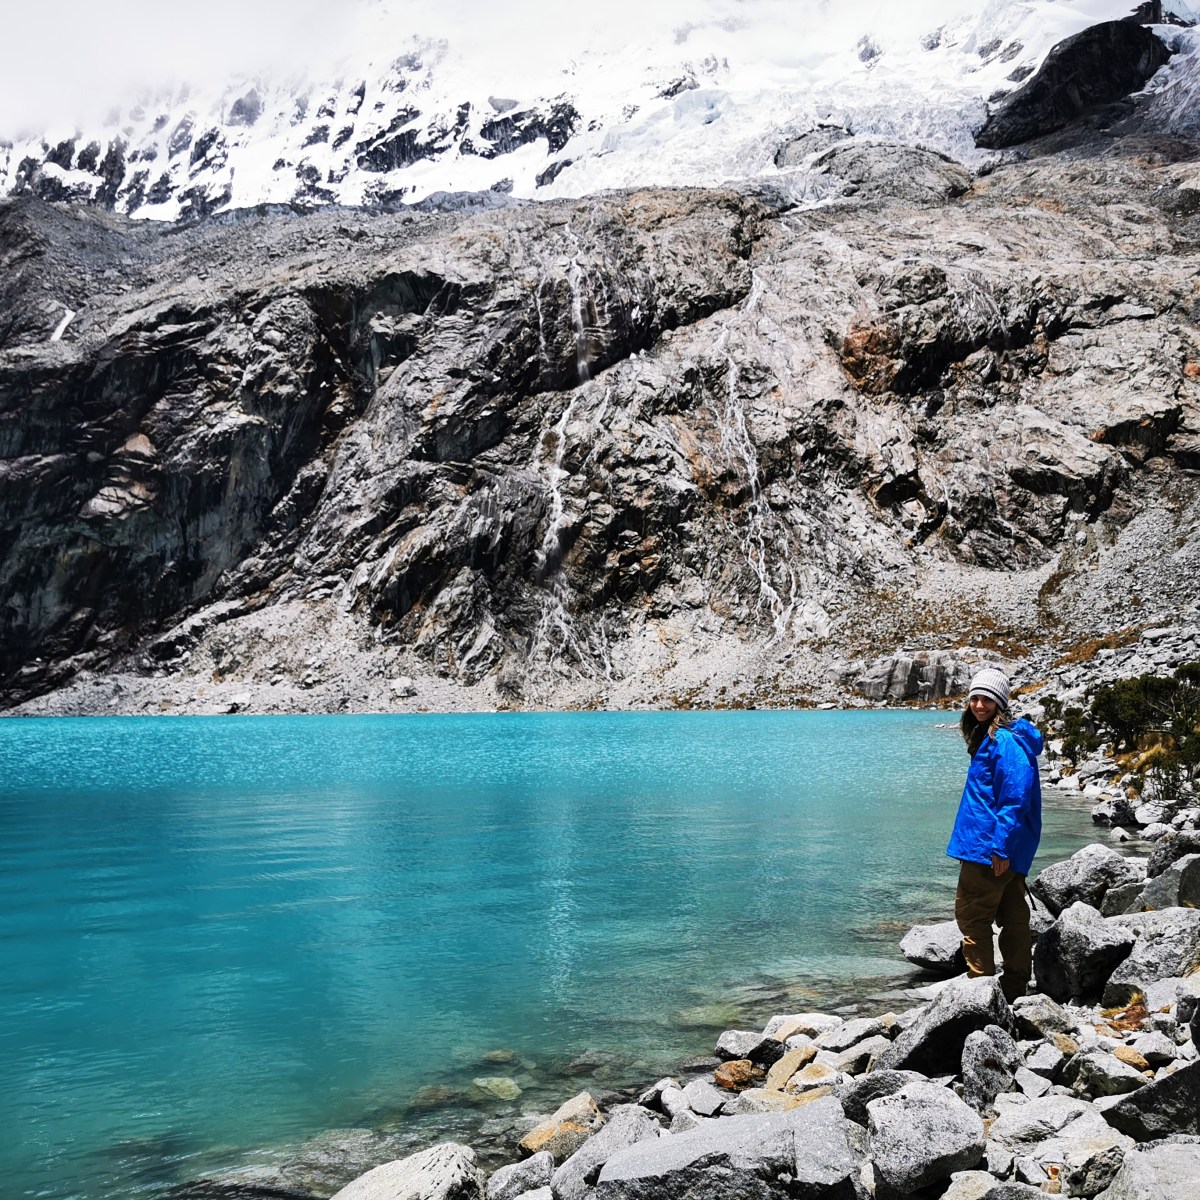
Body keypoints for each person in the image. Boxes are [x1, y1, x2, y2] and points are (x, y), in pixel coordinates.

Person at [946, 667, 1043, 1003]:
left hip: (987, 848)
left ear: (1000, 702)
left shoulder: (1002, 741)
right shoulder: (1000, 738)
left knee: (972, 916)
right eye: (974, 697)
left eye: (987, 698)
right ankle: (1016, 988)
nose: (978, 704)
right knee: (1013, 914)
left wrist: (1000, 847)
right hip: (1002, 846)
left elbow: (1014, 797)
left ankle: (981, 991)